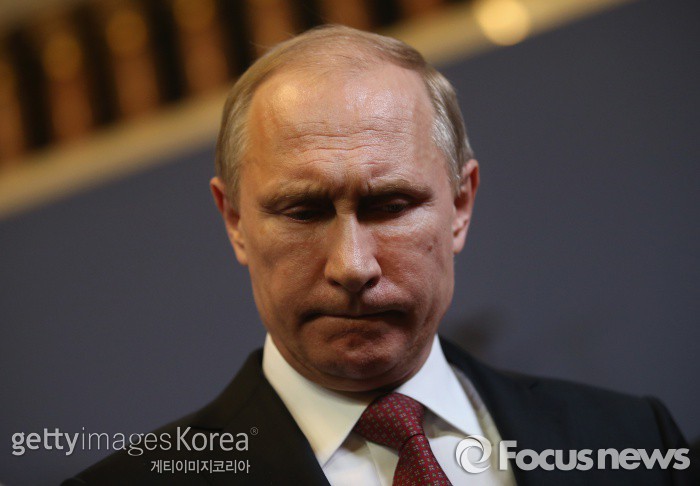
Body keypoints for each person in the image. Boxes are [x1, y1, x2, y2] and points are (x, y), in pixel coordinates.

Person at [63, 25, 695, 485]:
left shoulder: (635, 443)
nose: (352, 266)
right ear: (235, 222)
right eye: (303, 211)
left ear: (460, 205)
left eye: (390, 205)